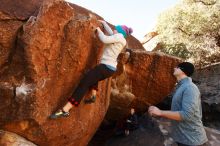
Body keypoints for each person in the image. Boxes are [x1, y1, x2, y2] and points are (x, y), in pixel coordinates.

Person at [50, 20, 133, 119]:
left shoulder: (118, 37)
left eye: (116, 29)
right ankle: (93, 96)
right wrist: (104, 24)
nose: (114, 29)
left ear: (119, 32)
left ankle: (65, 110)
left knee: (84, 83)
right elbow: (111, 33)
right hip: (108, 69)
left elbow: (105, 39)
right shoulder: (119, 38)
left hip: (105, 67)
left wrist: (98, 29)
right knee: (93, 76)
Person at [148, 62, 208, 146]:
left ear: (183, 71)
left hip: (193, 140)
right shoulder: (181, 87)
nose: (174, 68)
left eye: (177, 67)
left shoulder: (190, 88)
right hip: (184, 139)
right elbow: (178, 111)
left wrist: (160, 112)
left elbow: (186, 115)